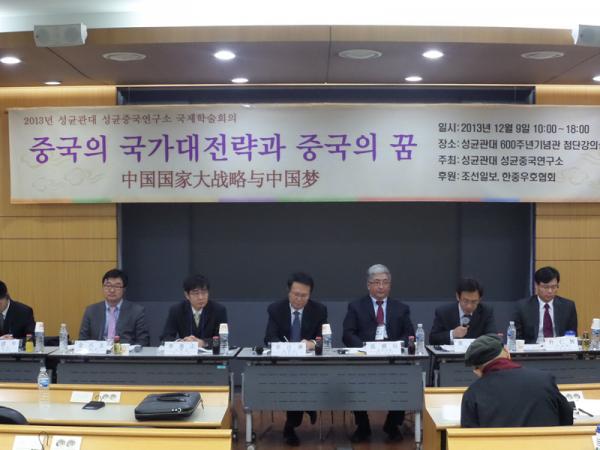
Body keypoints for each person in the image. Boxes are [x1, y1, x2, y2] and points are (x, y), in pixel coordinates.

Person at [342, 264, 414, 443]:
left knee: (405, 378)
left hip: (393, 359)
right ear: (368, 285)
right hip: (365, 360)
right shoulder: (356, 307)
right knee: (354, 380)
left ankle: (392, 425)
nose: (381, 286)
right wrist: (365, 348)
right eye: (376, 282)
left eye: (385, 282)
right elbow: (348, 334)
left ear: (390, 284)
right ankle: (363, 426)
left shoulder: (401, 308)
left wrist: (396, 346)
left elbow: (409, 335)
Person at [264, 272, 328, 446]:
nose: (299, 299)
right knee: (294, 381)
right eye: (296, 294)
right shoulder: (275, 309)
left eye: (304, 295)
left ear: (310, 294)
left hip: (309, 364)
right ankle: (299, 416)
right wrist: (284, 347)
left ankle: (291, 426)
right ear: (288, 292)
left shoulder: (319, 310)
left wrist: (312, 343)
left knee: (299, 380)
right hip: (284, 364)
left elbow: (324, 339)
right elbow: (269, 338)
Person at [461, 334, 573, 427]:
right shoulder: (544, 380)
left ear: (477, 370)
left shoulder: (473, 393)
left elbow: (469, 435)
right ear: (507, 351)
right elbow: (567, 418)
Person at [79, 268, 150, 346]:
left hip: (125, 352)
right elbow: (82, 340)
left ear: (124, 289)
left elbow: (143, 341)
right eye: (108, 285)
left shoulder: (136, 311)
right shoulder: (91, 311)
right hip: (98, 352)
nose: (112, 290)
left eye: (117, 286)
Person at [513, 266, 577, 344]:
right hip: (533, 349)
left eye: (553, 287)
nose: (550, 291)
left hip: (559, 349)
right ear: (536, 285)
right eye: (546, 287)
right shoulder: (522, 307)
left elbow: (572, 336)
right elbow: (516, 338)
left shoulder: (568, 306)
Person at [160, 274, 227, 345]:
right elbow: (166, 337)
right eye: (196, 293)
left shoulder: (219, 310)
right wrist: (181, 342)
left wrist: (203, 343)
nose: (201, 297)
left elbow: (222, 339)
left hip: (210, 351)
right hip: (186, 351)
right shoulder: (177, 310)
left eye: (204, 292)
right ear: (187, 295)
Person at [429, 277, 496, 345]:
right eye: (465, 301)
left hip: (477, 351)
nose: (469, 306)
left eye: (474, 301)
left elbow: (492, 337)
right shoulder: (443, 312)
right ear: (458, 296)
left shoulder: (486, 311)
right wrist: (453, 334)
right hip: (451, 352)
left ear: (479, 299)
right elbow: (433, 339)